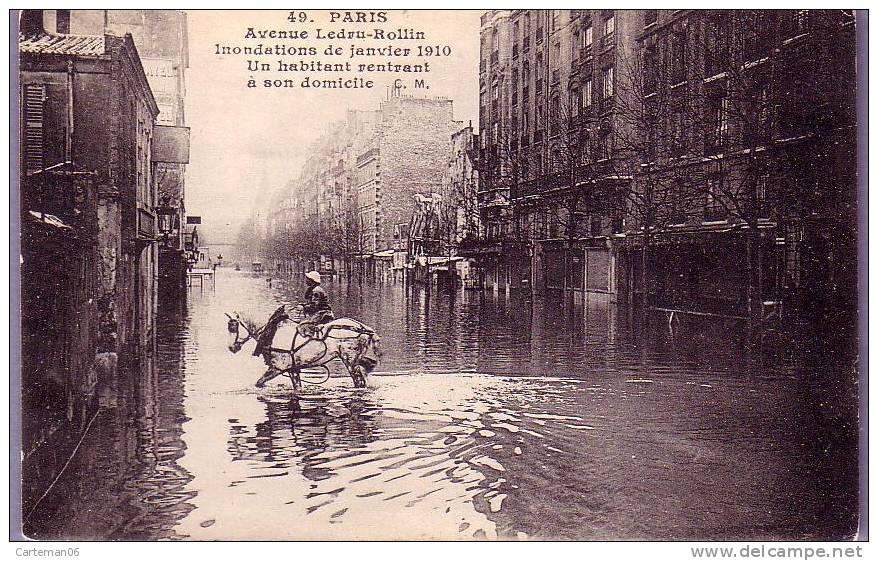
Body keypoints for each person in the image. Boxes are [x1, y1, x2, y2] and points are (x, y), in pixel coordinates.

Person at [299, 270, 334, 336]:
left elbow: (315, 306)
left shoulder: (316, 291)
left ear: (312, 280)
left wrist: (304, 307)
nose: (306, 280)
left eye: (308, 279)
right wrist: (304, 305)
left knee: (303, 326)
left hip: (322, 314)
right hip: (320, 313)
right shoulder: (314, 289)